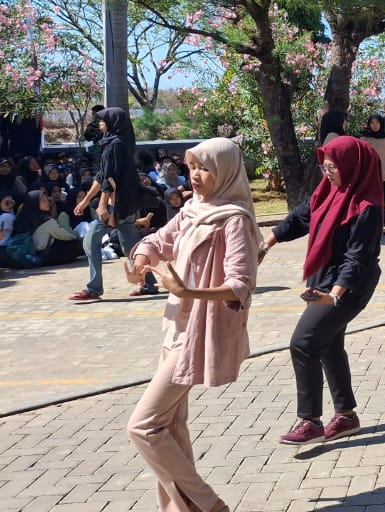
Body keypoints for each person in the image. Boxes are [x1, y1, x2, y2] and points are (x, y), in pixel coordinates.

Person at [125, 137, 259, 511]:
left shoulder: (234, 220)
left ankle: (209, 505)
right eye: (192, 167)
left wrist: (187, 290)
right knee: (169, 427)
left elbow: (240, 286)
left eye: (204, 168)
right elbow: (158, 240)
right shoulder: (192, 209)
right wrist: (141, 259)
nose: (195, 175)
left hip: (199, 331)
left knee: (144, 426)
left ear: (225, 172)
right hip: (173, 327)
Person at [261, 136, 384, 445]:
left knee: (303, 342)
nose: (327, 172)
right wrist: (267, 243)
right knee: (327, 343)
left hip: (349, 285)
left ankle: (310, 421)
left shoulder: (367, 207)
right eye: (324, 166)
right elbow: (302, 217)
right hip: (323, 279)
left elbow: (357, 258)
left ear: (352, 167)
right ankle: (346, 416)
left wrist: (335, 295)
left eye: (333, 167)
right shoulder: (327, 190)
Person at [71, 107, 150, 301]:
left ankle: (93, 288)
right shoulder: (118, 143)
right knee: (131, 245)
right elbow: (101, 176)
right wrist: (86, 200)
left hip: (117, 204)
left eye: (103, 120)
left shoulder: (115, 145)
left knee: (90, 241)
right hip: (125, 204)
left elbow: (110, 179)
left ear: (113, 122)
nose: (99, 123)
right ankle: (149, 283)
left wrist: (102, 205)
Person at [16, 190, 83, 266]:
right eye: (43, 200)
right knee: (79, 244)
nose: (47, 202)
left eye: (46, 199)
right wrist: (76, 236)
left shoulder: (24, 219)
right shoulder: (46, 221)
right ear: (36, 203)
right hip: (49, 257)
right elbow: (64, 235)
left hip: (34, 256)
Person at [359, 113, 385, 221]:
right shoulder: (364, 138)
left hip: (384, 172)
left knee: (383, 198)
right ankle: (369, 221)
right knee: (370, 199)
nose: (375, 125)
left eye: (377, 122)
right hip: (369, 173)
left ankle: (381, 223)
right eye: (372, 123)